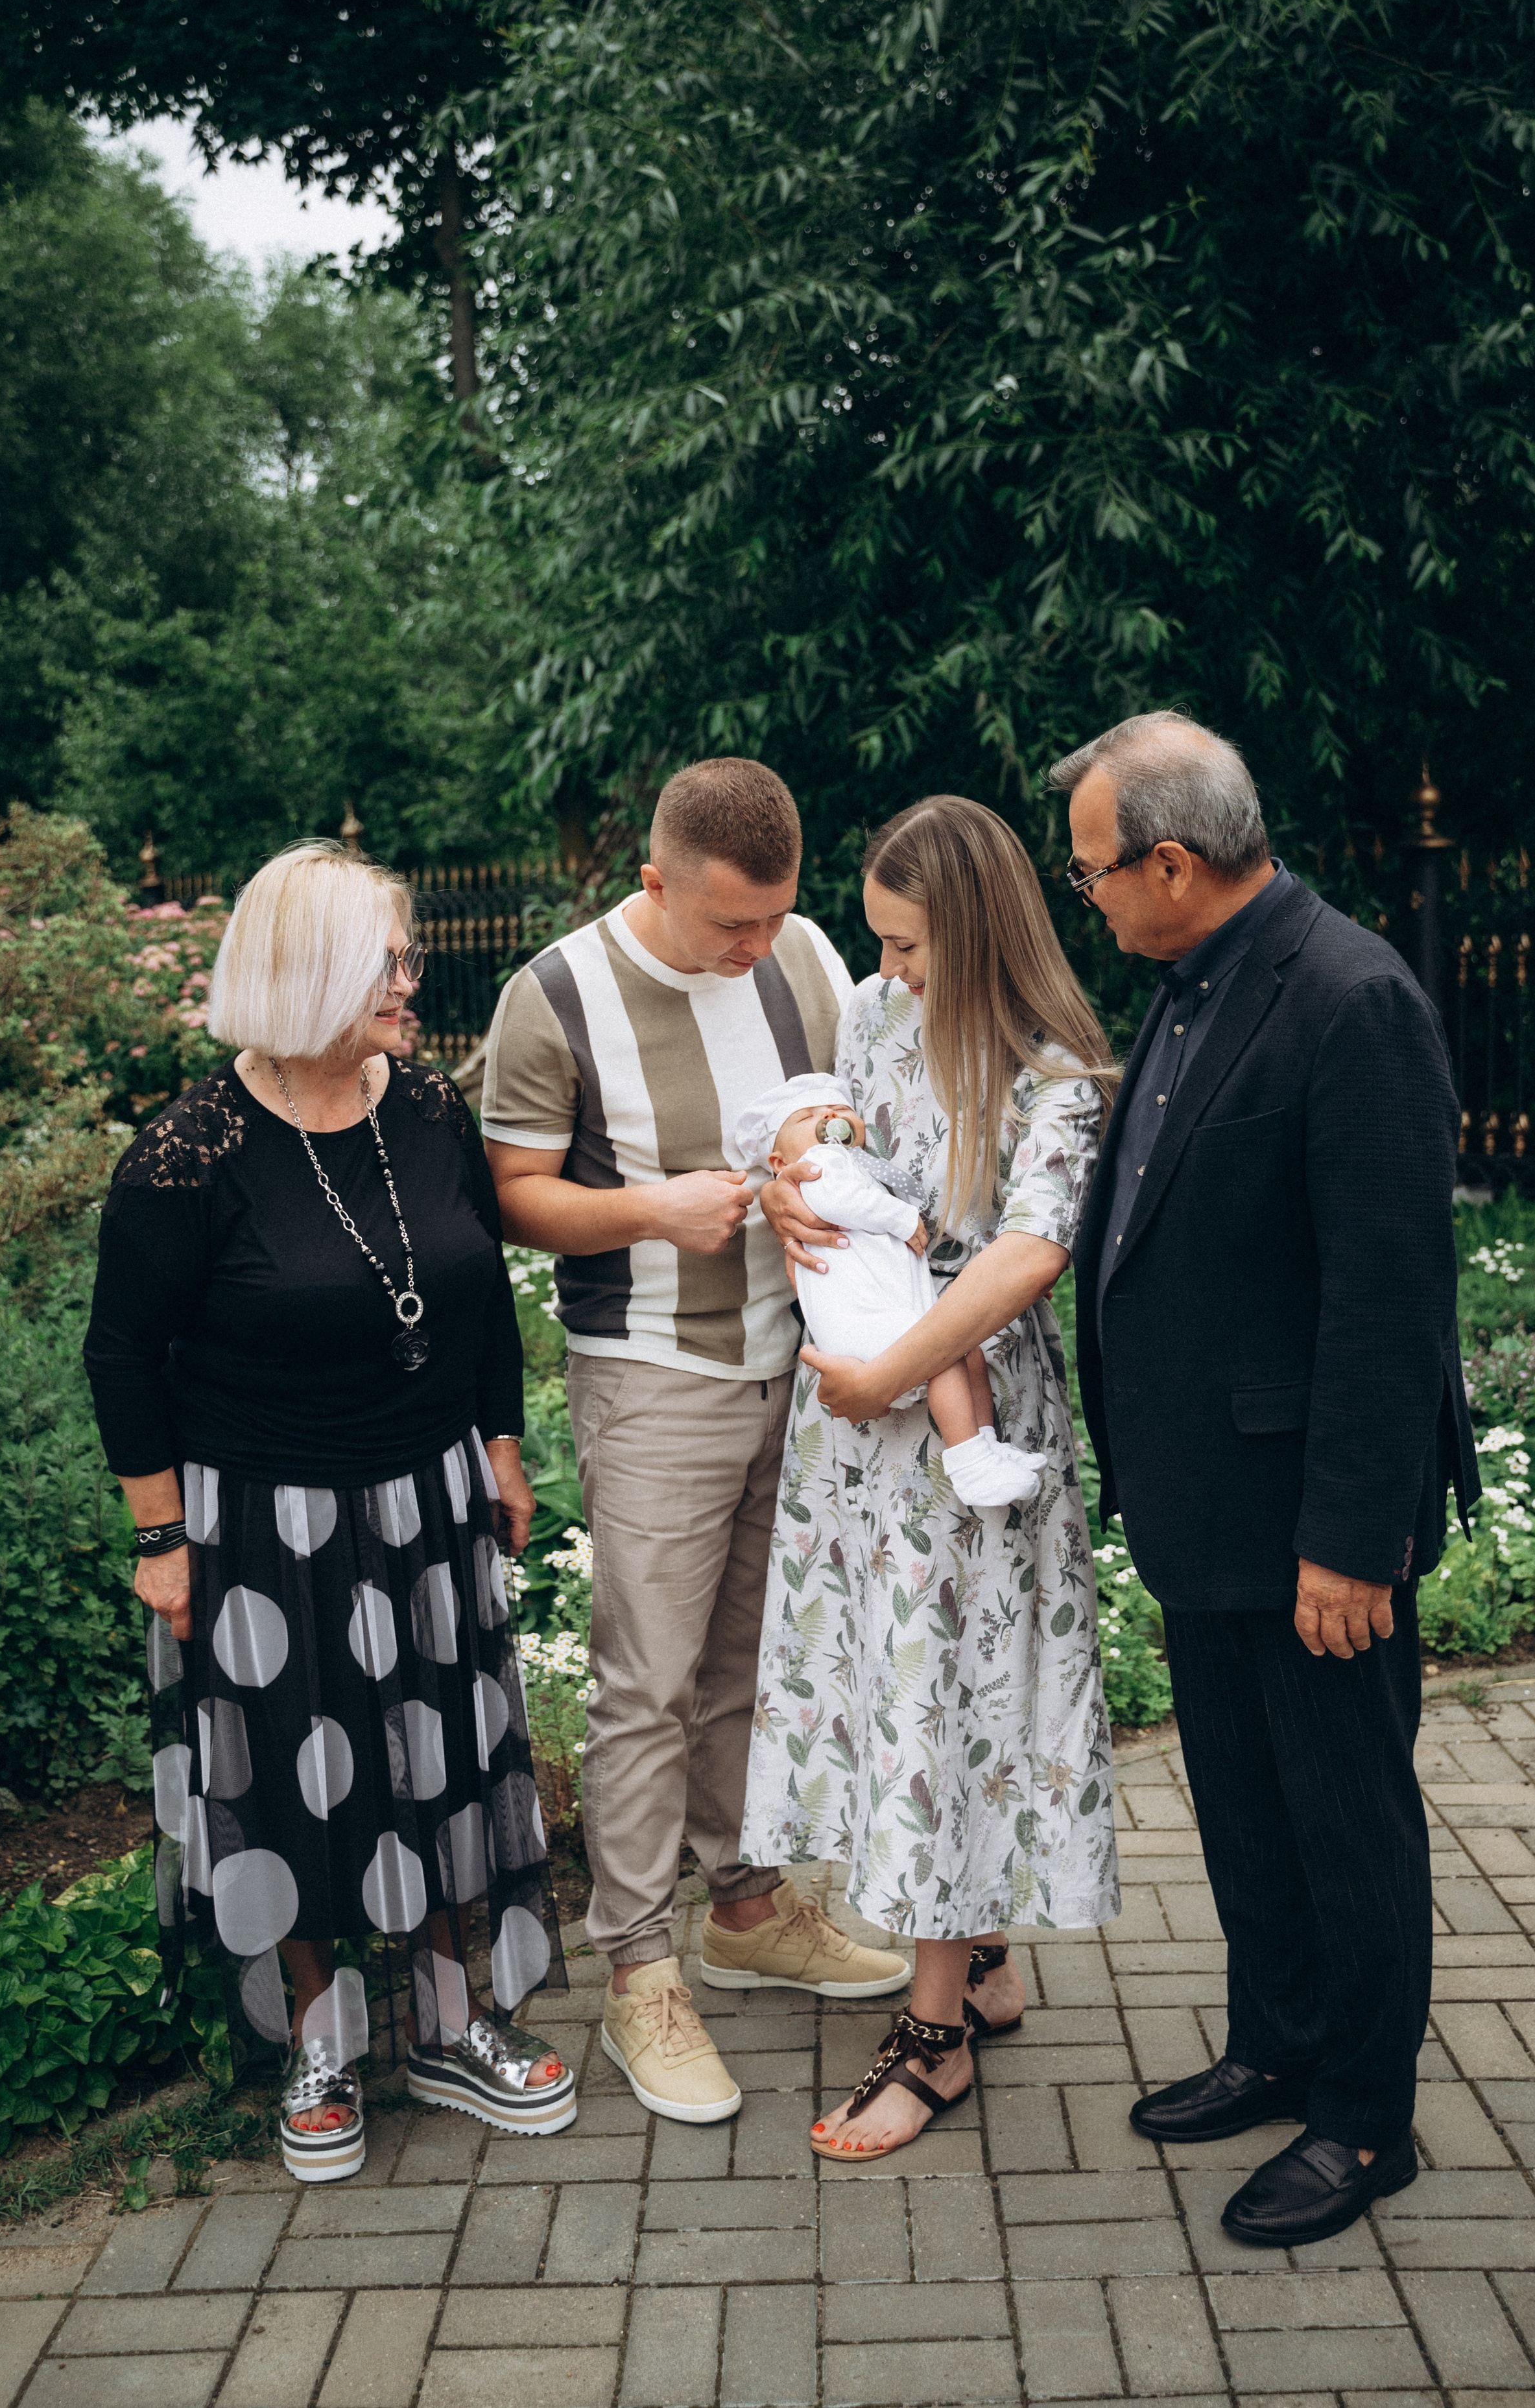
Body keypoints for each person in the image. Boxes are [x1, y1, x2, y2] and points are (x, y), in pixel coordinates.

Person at [84, 842, 573, 2187]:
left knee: (439, 1762)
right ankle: (320, 2039)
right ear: (309, 975)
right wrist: (159, 1536)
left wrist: (504, 1449)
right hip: (263, 1527)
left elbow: (476, 1295)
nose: (410, 983)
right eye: (389, 963)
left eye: (406, 959)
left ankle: (450, 2021)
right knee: (300, 1781)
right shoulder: (192, 1152)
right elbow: (122, 1356)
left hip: (425, 1501)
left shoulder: (420, 1103)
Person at [1058, 712, 1480, 2246]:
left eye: (1095, 866)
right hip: (1204, 1503)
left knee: (1341, 1812)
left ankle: (1364, 2118)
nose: (1085, 891)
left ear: (1171, 861)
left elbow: (1388, 1295)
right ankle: (1273, 2037)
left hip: (1310, 1517)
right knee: (1241, 1799)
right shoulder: (1188, 984)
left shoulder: (1348, 995)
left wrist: (1352, 1539)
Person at [483, 759, 914, 2131]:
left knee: (749, 1657)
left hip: (802, 1361)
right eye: (728, 926)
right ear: (653, 879)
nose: (754, 950)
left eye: (770, 922)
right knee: (645, 1683)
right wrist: (649, 1212)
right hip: (653, 1375)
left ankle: (742, 1910)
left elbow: (840, 1115)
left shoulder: (800, 949)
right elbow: (509, 1195)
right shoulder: (551, 994)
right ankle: (636, 1969)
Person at [746, 795, 1121, 2161]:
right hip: (858, 1425)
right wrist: (789, 1193)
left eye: (909, 946)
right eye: (881, 945)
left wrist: (894, 1362)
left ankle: (933, 2037)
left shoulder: (1057, 1068)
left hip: (964, 1414)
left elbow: (1029, 1252)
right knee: (897, 1685)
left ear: (971, 930)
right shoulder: (873, 1012)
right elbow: (832, 1146)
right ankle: (980, 1956)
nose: (888, 971)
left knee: (945, 1701)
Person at [733, 1074, 1045, 1507]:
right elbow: (839, 1202)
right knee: (946, 1355)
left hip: (882, 1309)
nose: (829, 1117)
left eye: (841, 1111)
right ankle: (970, 1463)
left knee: (967, 1350)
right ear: (777, 1159)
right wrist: (902, 1218)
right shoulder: (817, 1168)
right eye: (808, 1116)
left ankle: (986, 1444)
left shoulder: (857, 1168)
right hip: (858, 1319)